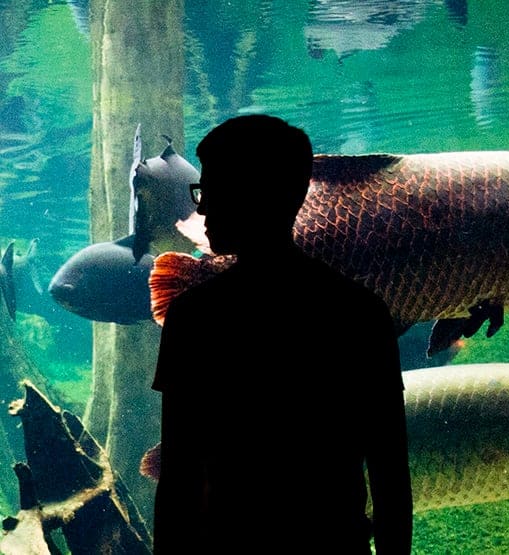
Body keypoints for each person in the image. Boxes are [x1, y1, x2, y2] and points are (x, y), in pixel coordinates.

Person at [151, 115, 413, 554]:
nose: (202, 209)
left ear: (253, 196)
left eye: (212, 192)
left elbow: (180, 475)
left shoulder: (194, 317)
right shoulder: (361, 313)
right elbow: (390, 474)